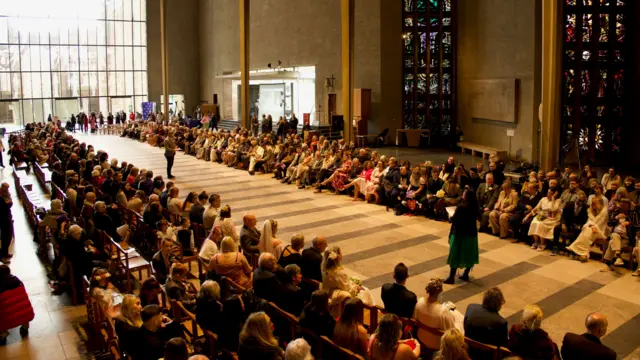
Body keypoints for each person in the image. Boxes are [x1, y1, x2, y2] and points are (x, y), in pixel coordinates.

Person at [322, 246, 374, 317]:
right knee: (366, 291)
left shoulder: (324, 270)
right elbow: (349, 291)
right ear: (338, 256)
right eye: (341, 252)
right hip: (342, 299)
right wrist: (356, 287)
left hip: (330, 294)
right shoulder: (339, 273)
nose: (342, 253)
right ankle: (370, 315)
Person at [413, 278, 462, 349]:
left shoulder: (420, 302)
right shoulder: (443, 311)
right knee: (458, 318)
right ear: (440, 291)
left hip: (421, 336)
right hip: (436, 343)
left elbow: (415, 318)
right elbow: (450, 330)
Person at [444, 188, 479, 284]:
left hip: (459, 234)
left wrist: (450, 216)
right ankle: (466, 274)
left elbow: (454, 220)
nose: (462, 194)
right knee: (469, 254)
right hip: (471, 234)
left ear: (466, 196)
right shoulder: (475, 206)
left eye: (464, 193)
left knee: (455, 255)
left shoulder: (461, 207)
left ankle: (451, 277)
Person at [0, 265, 35, 345]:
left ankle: (3, 335)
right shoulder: (17, 281)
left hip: (8, 320)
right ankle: (25, 328)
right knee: (22, 307)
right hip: (27, 314)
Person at [567, 197, 608, 262]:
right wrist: (592, 226)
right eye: (592, 203)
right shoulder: (590, 210)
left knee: (587, 230)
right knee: (588, 230)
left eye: (595, 204)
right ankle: (584, 254)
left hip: (600, 230)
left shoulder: (604, 212)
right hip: (591, 228)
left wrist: (592, 226)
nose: (593, 205)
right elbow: (588, 221)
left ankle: (577, 249)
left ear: (600, 204)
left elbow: (600, 223)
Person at [0, 183, 14, 263]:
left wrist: (8, 202)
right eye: (6, 188)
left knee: (8, 236)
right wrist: (8, 203)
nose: (7, 190)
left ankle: (5, 253)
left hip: (7, 217)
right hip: (2, 219)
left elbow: (9, 204)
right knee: (5, 237)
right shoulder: (1, 196)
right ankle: (2, 256)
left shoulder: (6, 195)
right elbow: (5, 205)